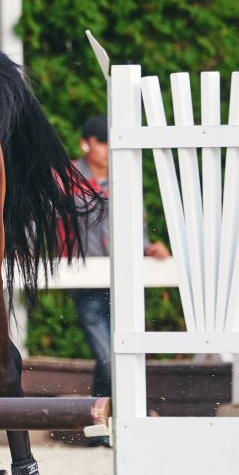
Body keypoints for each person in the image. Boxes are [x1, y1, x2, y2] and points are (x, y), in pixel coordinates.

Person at [71, 115, 170, 409]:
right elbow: (43, 223)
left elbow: (135, 231)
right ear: (85, 144)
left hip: (121, 281)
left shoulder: (125, 177)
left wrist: (148, 248)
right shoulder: (67, 179)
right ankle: (131, 414)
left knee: (113, 357)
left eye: (109, 141)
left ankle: (99, 426)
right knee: (109, 357)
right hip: (84, 280)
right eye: (101, 141)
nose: (106, 148)